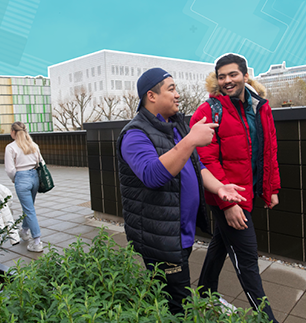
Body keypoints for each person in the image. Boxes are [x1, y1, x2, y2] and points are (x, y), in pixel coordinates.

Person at [116, 68, 245, 314]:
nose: (178, 95)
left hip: (178, 230)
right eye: (171, 89)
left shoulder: (176, 125)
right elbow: (152, 175)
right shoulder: (134, 134)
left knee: (170, 296)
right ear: (151, 96)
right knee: (179, 303)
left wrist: (220, 188)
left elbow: (197, 166)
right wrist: (191, 140)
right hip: (159, 236)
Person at [190, 53, 281, 321]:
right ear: (216, 80)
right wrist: (228, 204)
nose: (227, 81)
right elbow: (204, 159)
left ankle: (205, 293)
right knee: (247, 258)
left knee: (221, 243)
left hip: (248, 192)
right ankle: (268, 319)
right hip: (224, 197)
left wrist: (271, 188)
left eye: (233, 74)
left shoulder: (260, 106)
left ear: (245, 75)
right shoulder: (209, 110)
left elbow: (269, 150)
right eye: (222, 76)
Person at [5, 122, 44, 252]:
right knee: (29, 206)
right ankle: (25, 231)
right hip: (34, 177)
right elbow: (41, 162)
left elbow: (10, 170)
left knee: (29, 209)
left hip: (21, 178)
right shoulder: (33, 145)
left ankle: (37, 242)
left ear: (13, 132)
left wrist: (14, 179)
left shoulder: (11, 147)